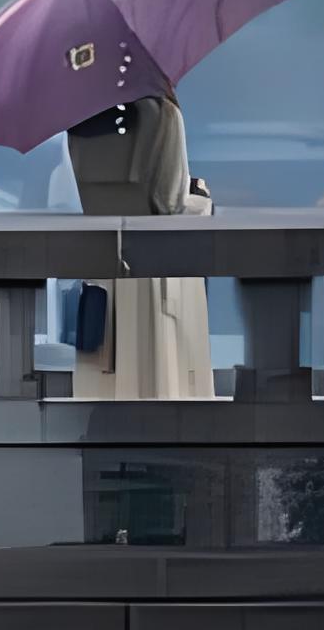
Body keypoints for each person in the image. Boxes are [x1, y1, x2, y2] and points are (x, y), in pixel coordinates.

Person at [64, 93, 215, 400]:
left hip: (101, 267)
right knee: (156, 372)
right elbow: (167, 203)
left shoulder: (79, 116)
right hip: (154, 275)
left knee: (103, 376)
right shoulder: (162, 113)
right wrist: (199, 196)